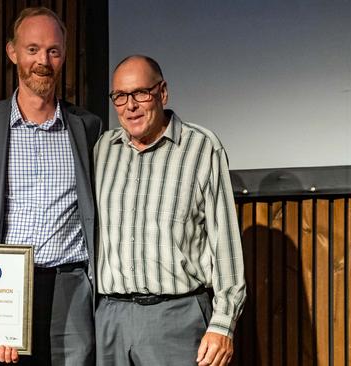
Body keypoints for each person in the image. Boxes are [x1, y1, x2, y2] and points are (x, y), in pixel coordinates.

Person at [0, 7, 103, 366]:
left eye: (53, 50)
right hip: (0, 286)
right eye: (33, 49)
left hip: (69, 284)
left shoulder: (88, 128)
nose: (43, 60)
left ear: (64, 55)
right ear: (12, 53)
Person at [94, 55, 246, 366]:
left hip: (177, 318)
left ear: (162, 92)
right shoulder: (102, 150)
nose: (130, 106)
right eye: (120, 96)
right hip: (110, 319)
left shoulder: (202, 147)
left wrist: (223, 324)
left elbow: (225, 241)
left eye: (141, 93)